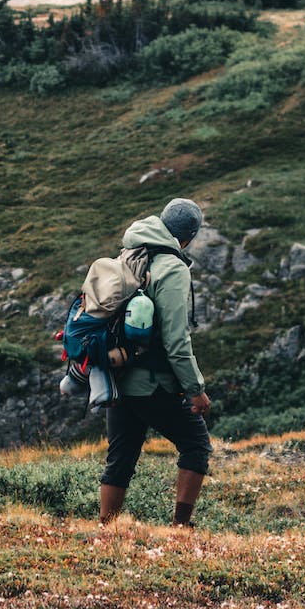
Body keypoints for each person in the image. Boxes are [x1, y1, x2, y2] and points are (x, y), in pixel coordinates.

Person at [99, 198, 213, 527]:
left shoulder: (130, 254)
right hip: (152, 382)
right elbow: (176, 341)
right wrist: (196, 390)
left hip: (117, 375)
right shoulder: (173, 268)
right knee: (196, 444)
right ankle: (180, 526)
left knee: (121, 456)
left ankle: (107, 531)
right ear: (189, 236)